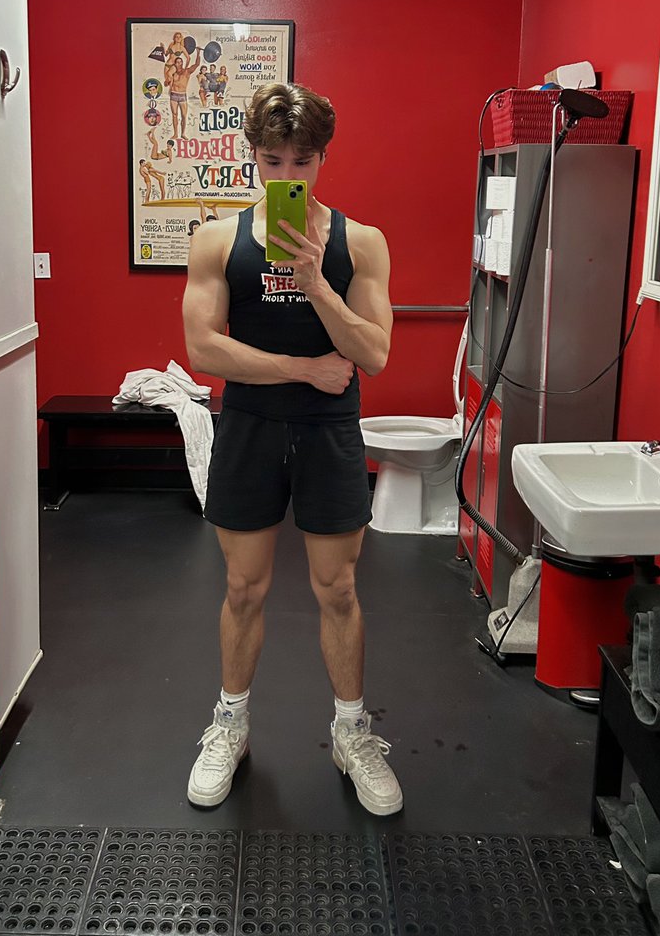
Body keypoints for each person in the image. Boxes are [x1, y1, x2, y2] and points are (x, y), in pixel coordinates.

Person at [181, 81, 401, 816]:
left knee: (337, 590)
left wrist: (316, 286)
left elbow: (373, 354)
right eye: (272, 161)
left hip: (327, 432)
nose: (286, 175)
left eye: (301, 162)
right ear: (253, 156)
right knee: (244, 587)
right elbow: (203, 348)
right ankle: (231, 725)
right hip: (249, 426)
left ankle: (352, 735)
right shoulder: (217, 241)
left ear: (322, 159)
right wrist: (304, 369)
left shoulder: (360, 243)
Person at [168, 49, 202, 140]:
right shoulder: (173, 73)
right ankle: (175, 134)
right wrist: (168, 80)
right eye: (177, 62)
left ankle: (183, 133)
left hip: (182, 95)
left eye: (181, 62)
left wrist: (198, 53)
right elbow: (167, 82)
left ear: (182, 63)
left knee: (183, 115)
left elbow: (196, 64)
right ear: (175, 64)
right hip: (174, 94)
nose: (179, 64)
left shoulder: (187, 71)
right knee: (174, 115)